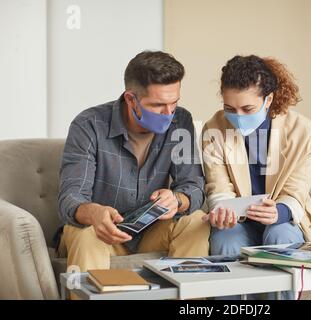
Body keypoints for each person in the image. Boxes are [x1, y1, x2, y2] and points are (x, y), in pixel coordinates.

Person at [56, 51, 209, 273]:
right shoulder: (88, 125)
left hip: (151, 232)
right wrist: (95, 213)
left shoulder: (180, 121)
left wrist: (178, 199)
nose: (169, 113)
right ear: (131, 99)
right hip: (102, 236)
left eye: (174, 102)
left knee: (195, 221)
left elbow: (193, 185)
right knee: (87, 231)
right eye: (157, 105)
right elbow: (70, 197)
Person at [201, 55, 311, 298]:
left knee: (280, 236)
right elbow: (218, 187)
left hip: (283, 219)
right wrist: (223, 210)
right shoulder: (214, 127)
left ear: (268, 99)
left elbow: (295, 192)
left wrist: (278, 212)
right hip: (238, 222)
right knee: (226, 239)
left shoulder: (302, 131)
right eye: (229, 109)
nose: (237, 116)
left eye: (247, 109)